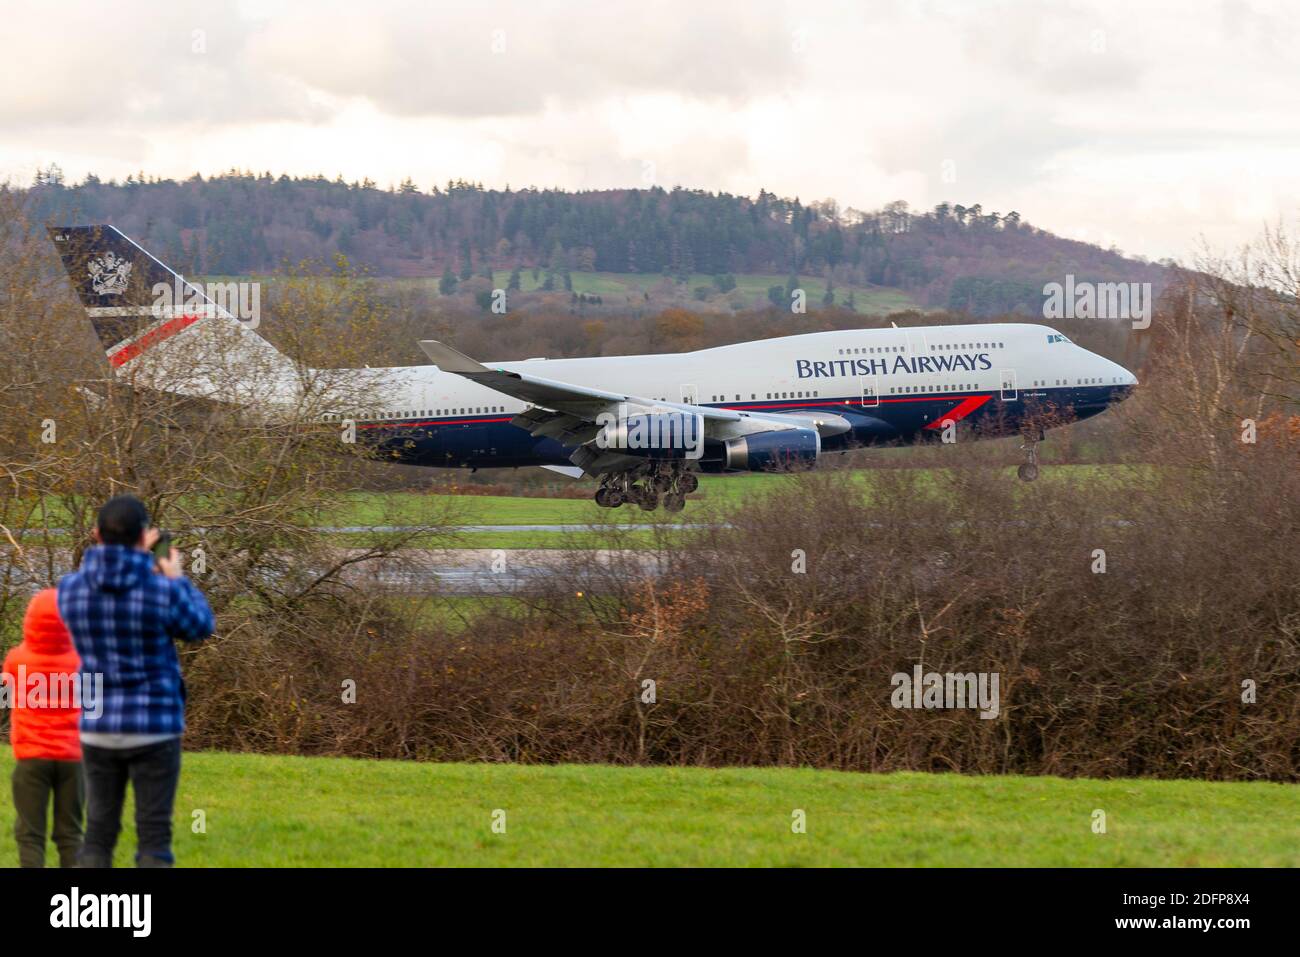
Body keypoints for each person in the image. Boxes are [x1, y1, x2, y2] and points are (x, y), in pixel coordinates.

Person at [57, 495, 214, 867]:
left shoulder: (70, 590)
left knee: (97, 836)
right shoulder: (161, 590)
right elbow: (201, 626)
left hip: (97, 726)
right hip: (154, 727)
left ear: (96, 534)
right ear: (144, 537)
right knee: (154, 837)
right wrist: (175, 579)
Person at [4, 589, 84, 867]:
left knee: (30, 835)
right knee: (71, 834)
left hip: (31, 758)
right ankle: (77, 905)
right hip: (73, 759)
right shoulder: (82, 661)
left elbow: (5, 692)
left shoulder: (16, 659)